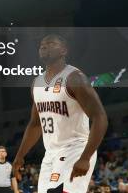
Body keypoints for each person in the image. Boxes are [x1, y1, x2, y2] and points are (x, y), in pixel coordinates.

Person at [13, 34, 108, 193]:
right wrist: (20, 155)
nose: (43, 46)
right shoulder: (36, 83)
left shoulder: (74, 78)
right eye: (42, 45)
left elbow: (100, 117)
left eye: (50, 43)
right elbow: (36, 124)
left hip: (75, 149)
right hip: (50, 154)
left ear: (63, 50)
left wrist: (85, 157)